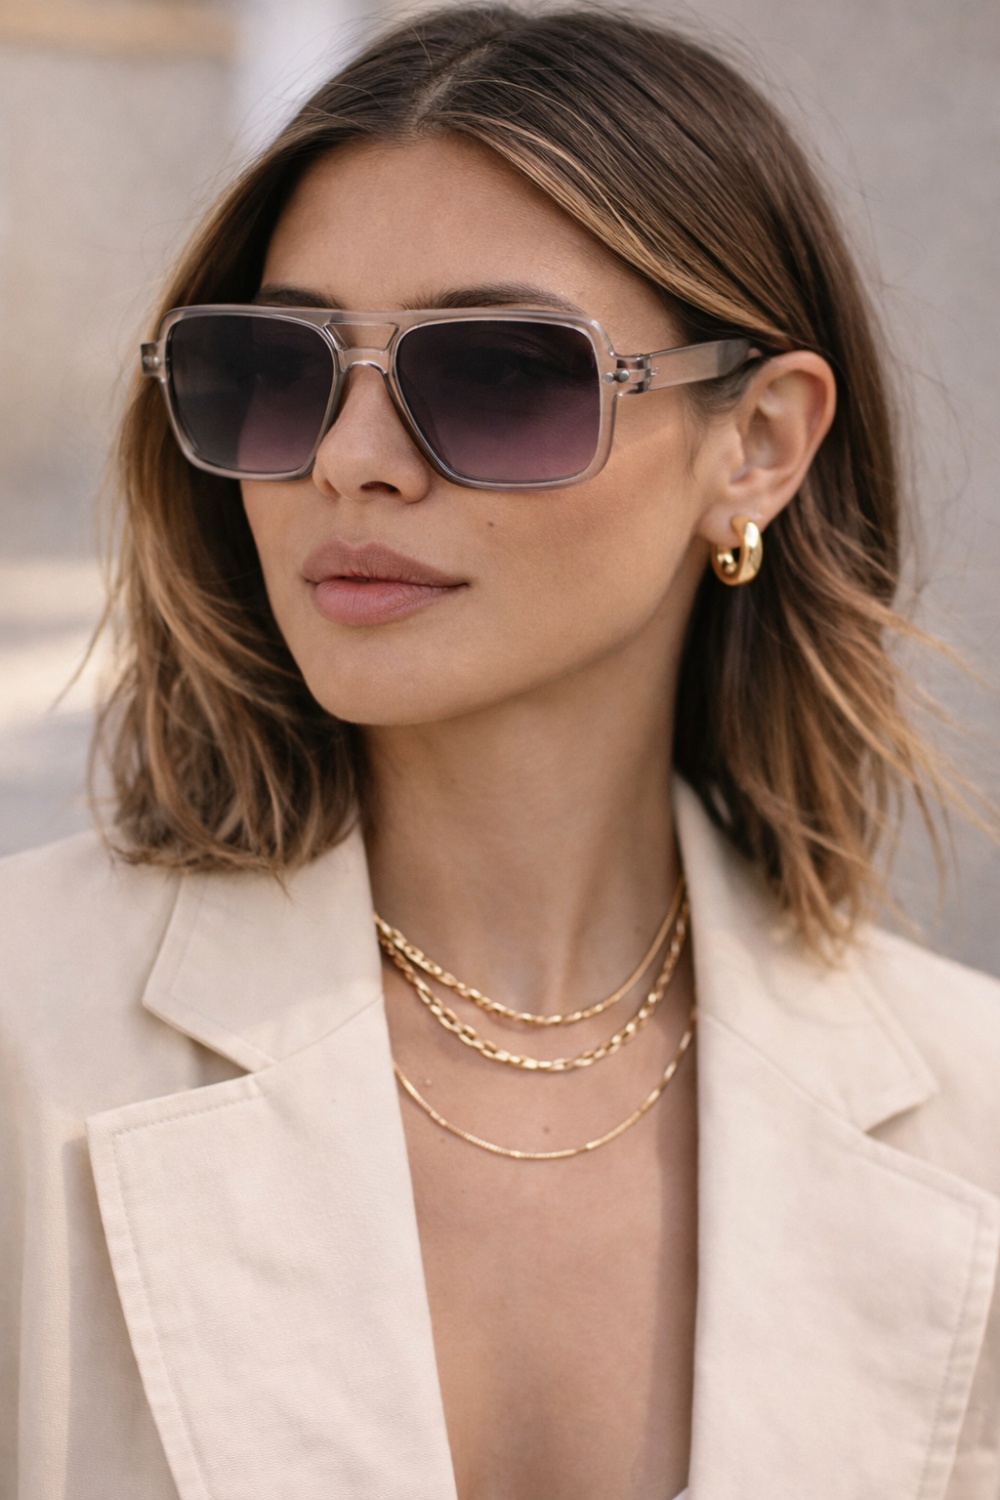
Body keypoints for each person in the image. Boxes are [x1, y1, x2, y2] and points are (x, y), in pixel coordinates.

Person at [2, 6, 999, 1497]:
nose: (350, 456)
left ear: (759, 446)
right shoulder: (24, 1035)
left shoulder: (973, 1119)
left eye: (496, 375)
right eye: (273, 368)